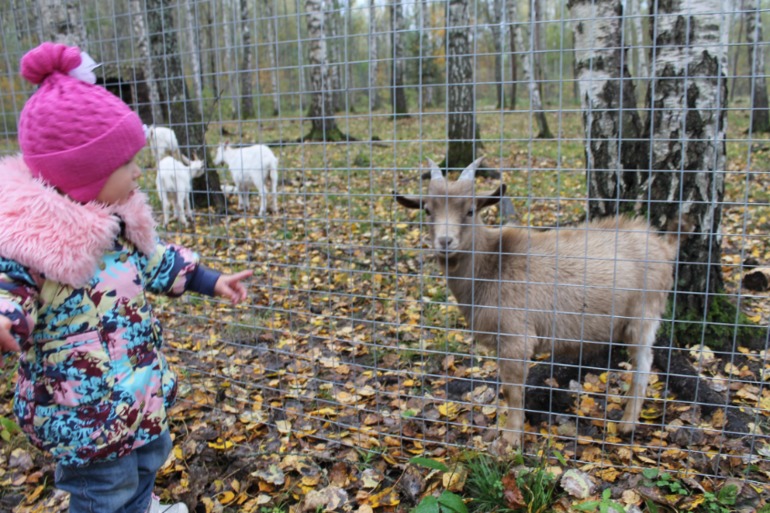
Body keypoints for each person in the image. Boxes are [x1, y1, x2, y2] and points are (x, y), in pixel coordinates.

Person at [0, 42, 252, 513]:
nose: (139, 171)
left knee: (145, 465)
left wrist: (209, 280)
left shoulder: (118, 225)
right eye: (125, 163)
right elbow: (8, 286)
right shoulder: (31, 246)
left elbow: (157, 262)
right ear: (83, 173)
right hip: (84, 414)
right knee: (104, 491)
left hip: (138, 391)